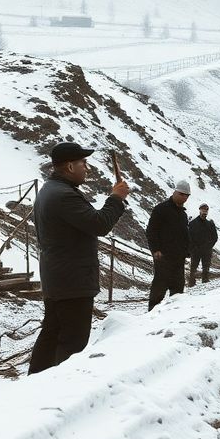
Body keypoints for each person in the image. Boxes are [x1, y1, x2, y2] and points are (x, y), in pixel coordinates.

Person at [28, 142, 129, 374]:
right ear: (70, 166)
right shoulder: (64, 195)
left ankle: (35, 382)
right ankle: (64, 386)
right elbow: (99, 224)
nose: (87, 168)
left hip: (58, 278)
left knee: (52, 333)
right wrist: (116, 198)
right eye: (83, 163)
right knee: (73, 341)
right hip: (72, 280)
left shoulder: (50, 189)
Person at [145, 178, 192, 310]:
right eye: (181, 194)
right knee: (159, 288)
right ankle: (151, 314)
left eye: (187, 195)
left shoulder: (183, 214)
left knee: (178, 290)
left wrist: (187, 250)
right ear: (175, 192)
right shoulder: (161, 209)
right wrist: (155, 249)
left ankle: (173, 315)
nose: (184, 197)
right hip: (163, 257)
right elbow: (151, 231)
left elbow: (184, 234)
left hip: (179, 258)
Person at [188, 202, 218, 285]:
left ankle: (205, 281)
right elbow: (189, 237)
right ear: (200, 210)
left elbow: (215, 237)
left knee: (206, 267)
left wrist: (209, 246)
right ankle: (191, 283)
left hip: (207, 250)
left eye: (206, 210)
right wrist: (192, 248)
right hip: (196, 250)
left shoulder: (210, 223)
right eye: (203, 209)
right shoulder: (193, 223)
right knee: (193, 267)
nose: (204, 211)